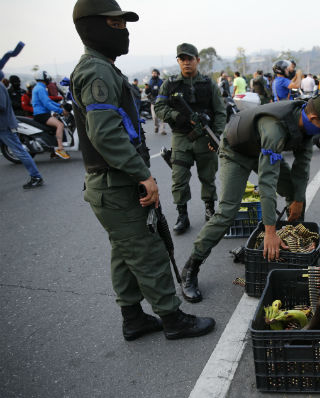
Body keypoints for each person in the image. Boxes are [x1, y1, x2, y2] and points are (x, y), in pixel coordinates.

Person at [70, 0, 215, 340]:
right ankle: (173, 319)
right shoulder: (96, 70)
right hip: (117, 183)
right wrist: (142, 174)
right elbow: (105, 133)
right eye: (115, 25)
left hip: (112, 183)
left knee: (125, 251)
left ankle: (133, 318)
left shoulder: (102, 67)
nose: (124, 32)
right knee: (147, 251)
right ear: (92, 27)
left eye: (124, 25)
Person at [178, 93, 320, 302]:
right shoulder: (275, 129)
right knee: (227, 211)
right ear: (314, 119)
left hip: (261, 150)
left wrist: (298, 201)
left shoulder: (306, 129)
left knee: (294, 193)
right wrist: (271, 232)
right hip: (235, 152)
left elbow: (301, 170)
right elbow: (267, 183)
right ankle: (192, 267)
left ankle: (295, 250)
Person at [154, 43, 227, 234]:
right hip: (181, 138)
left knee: (208, 177)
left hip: (205, 137)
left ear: (197, 60)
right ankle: (182, 215)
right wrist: (177, 116)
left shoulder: (208, 83)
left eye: (190, 59)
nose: (186, 63)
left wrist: (216, 135)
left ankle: (209, 208)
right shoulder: (169, 84)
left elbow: (220, 112)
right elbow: (159, 107)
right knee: (178, 178)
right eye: (182, 59)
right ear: (178, 61)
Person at [0, 72, 44, 189]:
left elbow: (2, 106)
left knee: (20, 151)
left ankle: (36, 176)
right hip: (6, 124)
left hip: (5, 126)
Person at [32, 70, 70, 159]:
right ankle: (60, 149)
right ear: (44, 78)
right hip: (42, 115)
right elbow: (46, 104)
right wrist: (60, 111)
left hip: (42, 114)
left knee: (53, 129)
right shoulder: (41, 88)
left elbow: (48, 101)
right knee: (60, 125)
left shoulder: (39, 87)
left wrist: (59, 105)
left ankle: (54, 152)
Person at [144, 68, 166, 134]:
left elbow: (165, 90)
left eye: (155, 73)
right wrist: (147, 89)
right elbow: (147, 92)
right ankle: (156, 126)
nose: (154, 74)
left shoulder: (161, 81)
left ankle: (163, 130)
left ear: (158, 74)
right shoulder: (150, 82)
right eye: (153, 73)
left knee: (163, 116)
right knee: (154, 117)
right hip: (153, 101)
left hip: (161, 101)